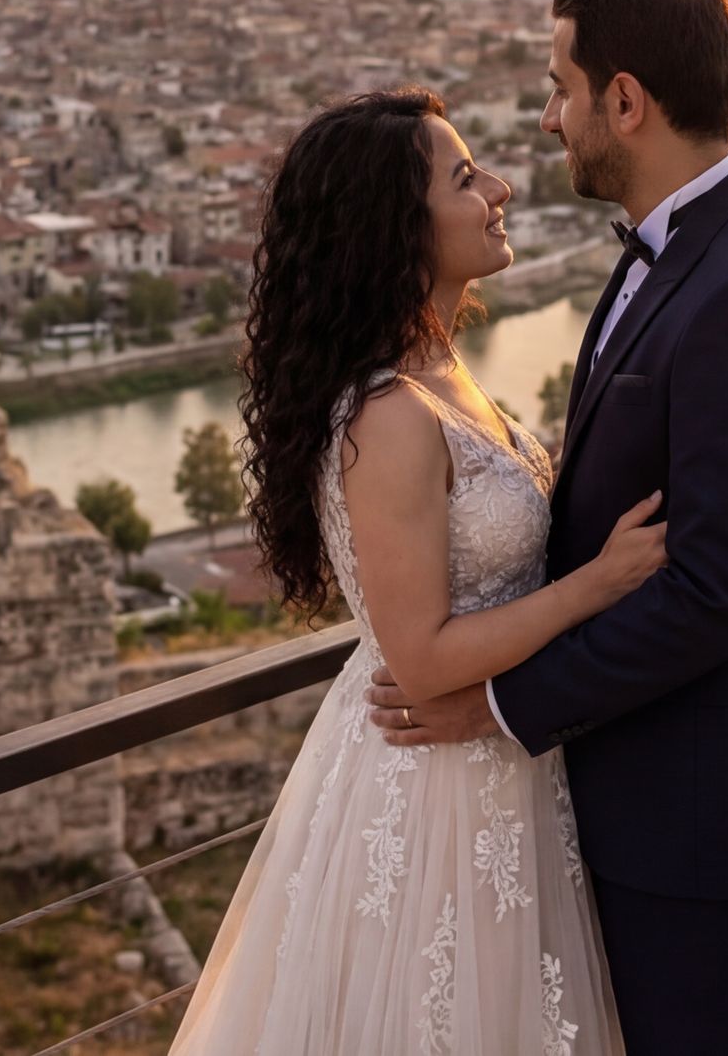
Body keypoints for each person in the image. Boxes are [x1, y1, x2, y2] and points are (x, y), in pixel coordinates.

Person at [369, 0, 728, 1056]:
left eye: (558, 87)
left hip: (699, 828)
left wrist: (493, 710)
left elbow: (718, 594)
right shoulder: (690, 255)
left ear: (623, 101)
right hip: (635, 803)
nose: (546, 120)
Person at [170, 86, 659, 1053]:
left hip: (497, 766)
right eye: (466, 176)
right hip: (432, 780)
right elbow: (424, 657)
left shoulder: (440, 369)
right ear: (396, 226)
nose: (501, 188)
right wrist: (597, 584)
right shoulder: (389, 413)